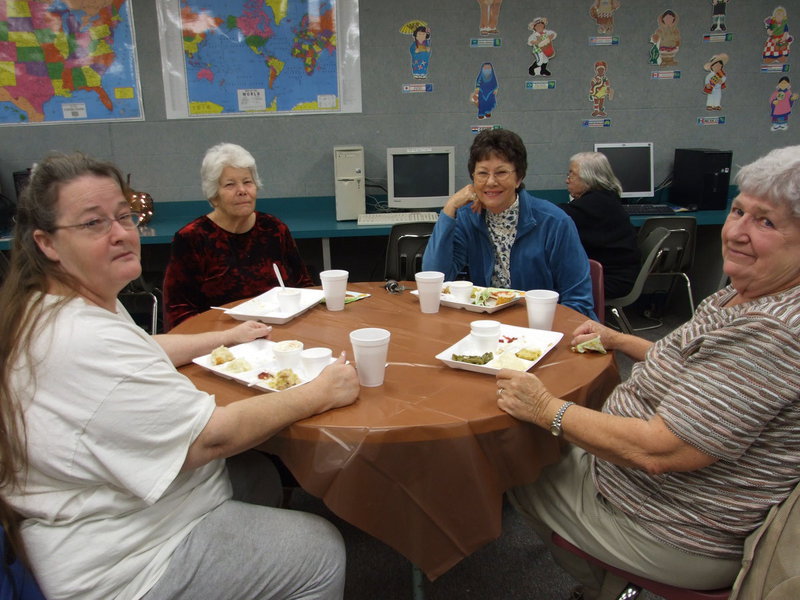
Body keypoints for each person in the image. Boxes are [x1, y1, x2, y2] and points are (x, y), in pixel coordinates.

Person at [0, 151, 360, 600]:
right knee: (320, 550)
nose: (120, 234)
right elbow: (209, 439)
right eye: (93, 223)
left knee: (257, 475)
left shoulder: (66, 302)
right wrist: (319, 391)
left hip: (134, 507)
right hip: (127, 561)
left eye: (124, 216)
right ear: (47, 243)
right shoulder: (77, 338)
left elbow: (139, 348)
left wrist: (224, 339)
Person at [495, 145, 800, 599]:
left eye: (766, 221)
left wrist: (546, 409)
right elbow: (692, 365)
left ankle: (610, 584)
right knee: (535, 442)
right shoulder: (743, 295)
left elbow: (663, 451)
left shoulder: (772, 332)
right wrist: (620, 340)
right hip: (651, 490)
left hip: (672, 526)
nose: (736, 231)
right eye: (739, 210)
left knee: (514, 457)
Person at [422, 129, 596, 318]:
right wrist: (450, 207)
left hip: (544, 328)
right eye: (482, 173)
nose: (490, 182)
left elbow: (579, 302)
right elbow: (433, 281)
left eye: (501, 172)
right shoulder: (469, 217)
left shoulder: (554, 222)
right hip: (489, 327)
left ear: (519, 178)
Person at [163, 143, 313, 329]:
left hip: (279, 333)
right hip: (219, 340)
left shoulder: (274, 228)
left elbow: (304, 286)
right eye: (230, 184)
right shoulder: (192, 238)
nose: (242, 190)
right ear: (213, 195)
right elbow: (178, 311)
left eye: (247, 182)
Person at [561, 152, 640, 299]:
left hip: (609, 279)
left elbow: (556, 215)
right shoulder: (606, 198)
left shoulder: (594, 205)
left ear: (588, 179)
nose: (567, 180)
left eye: (572, 175)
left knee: (547, 283)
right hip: (620, 274)